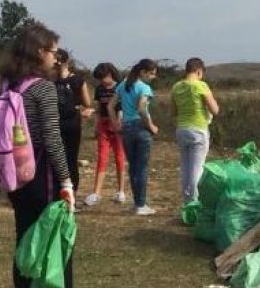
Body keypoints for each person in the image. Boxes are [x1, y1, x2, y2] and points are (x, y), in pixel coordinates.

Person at [0, 23, 111, 288]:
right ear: (39, 52)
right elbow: (52, 137)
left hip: (15, 176)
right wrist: (66, 180)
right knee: (60, 243)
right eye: (52, 51)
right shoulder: (42, 88)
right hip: (42, 177)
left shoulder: (9, 83)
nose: (56, 57)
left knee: (24, 242)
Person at [110, 59, 160, 216]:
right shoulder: (144, 88)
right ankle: (141, 204)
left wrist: (116, 124)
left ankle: (137, 203)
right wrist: (151, 126)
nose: (153, 77)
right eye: (151, 73)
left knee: (133, 167)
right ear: (143, 72)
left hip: (126, 127)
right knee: (142, 167)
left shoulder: (124, 84)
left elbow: (110, 105)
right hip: (141, 128)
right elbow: (141, 108)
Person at [172, 58, 219, 205]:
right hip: (198, 129)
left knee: (185, 167)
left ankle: (186, 200)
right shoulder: (201, 86)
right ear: (199, 71)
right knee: (197, 168)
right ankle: (194, 200)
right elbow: (215, 110)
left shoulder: (176, 87)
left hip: (181, 129)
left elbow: (173, 111)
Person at [53, 49, 93, 209]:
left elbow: (87, 102)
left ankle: (72, 194)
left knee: (70, 159)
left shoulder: (77, 80)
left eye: (58, 62)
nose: (56, 65)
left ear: (65, 62)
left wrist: (82, 110)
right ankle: (56, 194)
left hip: (72, 124)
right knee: (55, 159)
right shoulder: (50, 80)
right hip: (55, 124)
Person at [85, 62, 126, 206]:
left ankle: (121, 191)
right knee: (102, 158)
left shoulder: (120, 88)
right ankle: (96, 193)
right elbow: (98, 108)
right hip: (103, 126)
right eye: (99, 78)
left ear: (110, 74)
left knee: (119, 158)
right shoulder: (99, 89)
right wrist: (96, 125)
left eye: (103, 77)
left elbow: (121, 108)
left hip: (118, 126)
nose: (101, 81)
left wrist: (118, 125)